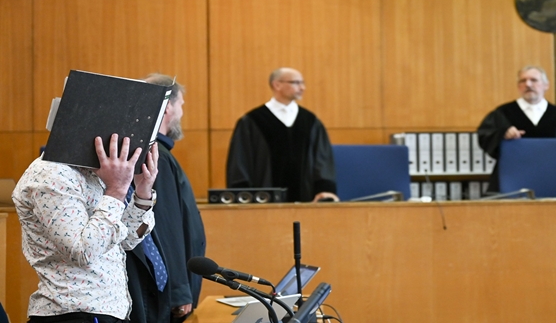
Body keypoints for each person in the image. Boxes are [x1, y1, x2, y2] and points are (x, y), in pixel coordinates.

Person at [12, 133, 159, 323]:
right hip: (73, 314)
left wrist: (142, 192)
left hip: (106, 311)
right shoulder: (52, 173)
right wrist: (116, 191)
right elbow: (83, 251)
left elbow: (123, 241)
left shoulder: (94, 171)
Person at [126, 74, 207, 323]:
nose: (182, 111)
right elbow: (165, 225)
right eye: (181, 104)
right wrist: (179, 290)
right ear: (167, 106)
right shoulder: (155, 155)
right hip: (166, 294)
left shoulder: (155, 152)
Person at [226, 67, 338, 202]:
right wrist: (244, 196)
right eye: (296, 83)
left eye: (303, 83)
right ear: (277, 85)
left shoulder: (310, 121)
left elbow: (322, 160)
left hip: (306, 199)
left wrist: (324, 189)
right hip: (264, 202)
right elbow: (240, 161)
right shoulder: (252, 121)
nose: (302, 88)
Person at [477, 65, 556, 192]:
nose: (528, 84)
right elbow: (484, 135)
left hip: (552, 179)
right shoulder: (503, 113)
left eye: (534, 80)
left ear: (546, 85)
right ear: (518, 86)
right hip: (512, 177)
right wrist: (502, 133)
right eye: (523, 81)